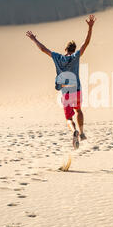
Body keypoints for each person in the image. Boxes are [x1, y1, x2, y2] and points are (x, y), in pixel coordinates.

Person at [26, 14, 96, 149]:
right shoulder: (76, 56)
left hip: (66, 92)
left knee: (69, 119)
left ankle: (74, 131)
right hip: (76, 90)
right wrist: (90, 28)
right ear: (74, 50)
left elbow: (43, 49)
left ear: (65, 49)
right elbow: (86, 43)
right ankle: (81, 133)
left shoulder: (57, 57)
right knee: (79, 111)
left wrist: (34, 39)